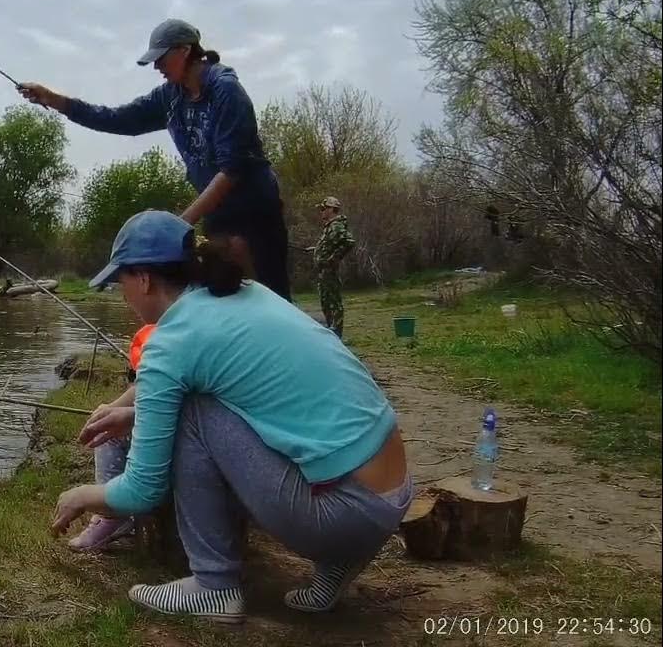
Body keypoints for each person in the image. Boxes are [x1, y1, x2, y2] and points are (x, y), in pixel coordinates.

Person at [50, 210, 411, 623]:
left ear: (144, 279)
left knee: (193, 411)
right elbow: (203, 374)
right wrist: (126, 411)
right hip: (392, 497)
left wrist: (79, 495)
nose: (122, 294)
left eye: (120, 282)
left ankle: (214, 585)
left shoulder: (171, 340)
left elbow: (141, 491)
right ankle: (340, 561)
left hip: (344, 512)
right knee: (206, 403)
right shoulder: (245, 292)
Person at [17, 19, 291, 300]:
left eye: (161, 58)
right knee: (226, 297)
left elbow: (232, 170)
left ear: (185, 51)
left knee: (272, 298)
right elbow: (117, 119)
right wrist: (53, 100)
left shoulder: (225, 90)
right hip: (217, 216)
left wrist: (177, 226)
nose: (156, 66)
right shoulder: (169, 97)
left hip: (256, 212)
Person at [66, 322, 156, 552]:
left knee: (111, 435)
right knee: (113, 423)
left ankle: (113, 515)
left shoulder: (171, 334)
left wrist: (131, 416)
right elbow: (151, 386)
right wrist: (117, 407)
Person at [311, 196, 356, 338]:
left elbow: (349, 241)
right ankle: (331, 328)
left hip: (329, 270)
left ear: (332, 209)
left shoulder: (336, 225)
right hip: (323, 271)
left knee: (334, 301)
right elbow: (330, 244)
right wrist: (317, 249)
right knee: (325, 301)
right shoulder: (330, 226)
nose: (321, 212)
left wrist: (334, 258)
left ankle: (337, 331)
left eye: (324, 209)